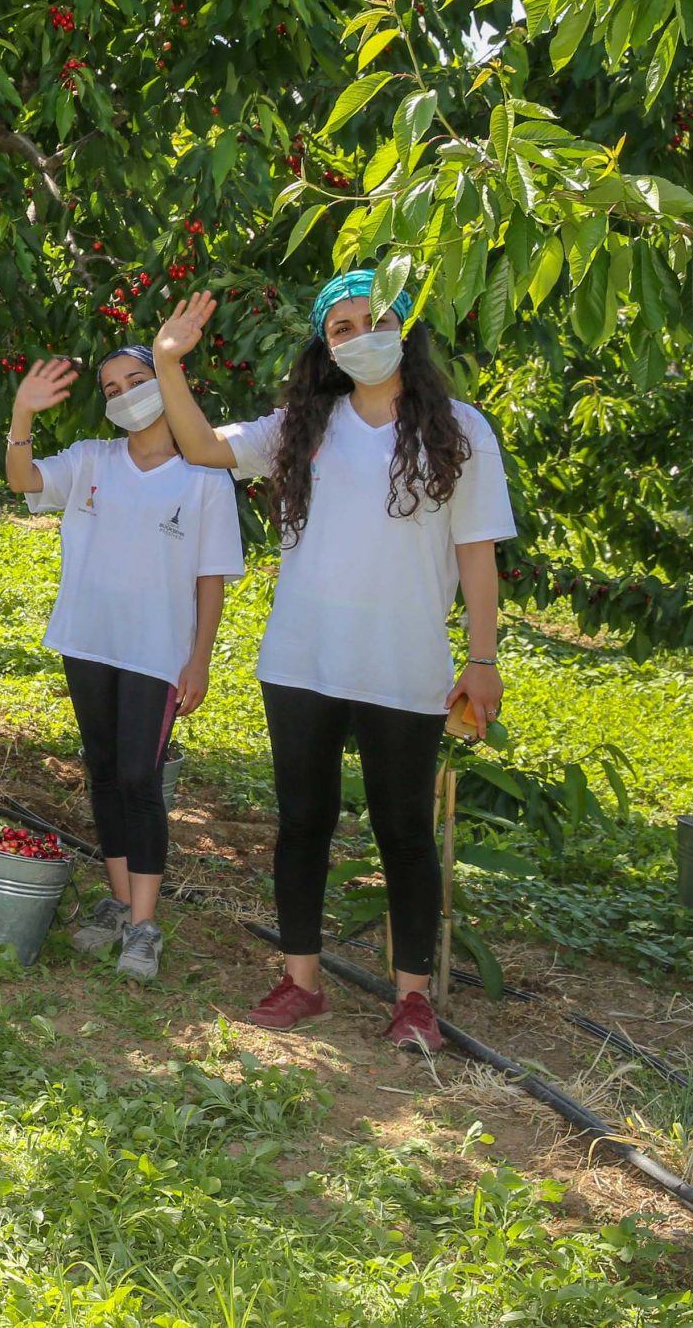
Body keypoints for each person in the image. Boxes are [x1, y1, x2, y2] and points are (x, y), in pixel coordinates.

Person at [152, 274, 513, 1053]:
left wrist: (483, 657)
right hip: (303, 661)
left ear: (405, 327)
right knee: (303, 823)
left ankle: (413, 998)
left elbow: (476, 553)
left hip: (405, 665)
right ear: (327, 345)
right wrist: (169, 364)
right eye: (342, 327)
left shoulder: (460, 430)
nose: (360, 335)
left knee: (405, 832)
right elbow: (205, 446)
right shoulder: (303, 427)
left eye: (375, 318)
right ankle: (301, 979)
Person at [4, 344, 242, 981]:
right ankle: (117, 900)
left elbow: (211, 580)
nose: (124, 395)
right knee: (104, 771)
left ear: (167, 381)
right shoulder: (92, 459)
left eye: (136, 380)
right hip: (88, 639)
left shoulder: (205, 477)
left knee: (141, 778)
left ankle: (144, 926)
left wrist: (200, 661)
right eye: (111, 389)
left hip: (157, 652)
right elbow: (25, 481)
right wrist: (22, 415)